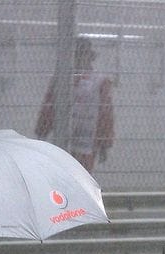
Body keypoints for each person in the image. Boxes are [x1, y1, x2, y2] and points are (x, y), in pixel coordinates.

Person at [35, 36, 114, 173]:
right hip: (63, 139)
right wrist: (42, 132)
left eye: (83, 54)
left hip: (87, 142)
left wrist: (104, 144)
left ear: (90, 57)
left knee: (81, 178)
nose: (79, 58)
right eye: (77, 54)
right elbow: (49, 107)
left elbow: (106, 114)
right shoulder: (60, 79)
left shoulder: (100, 81)